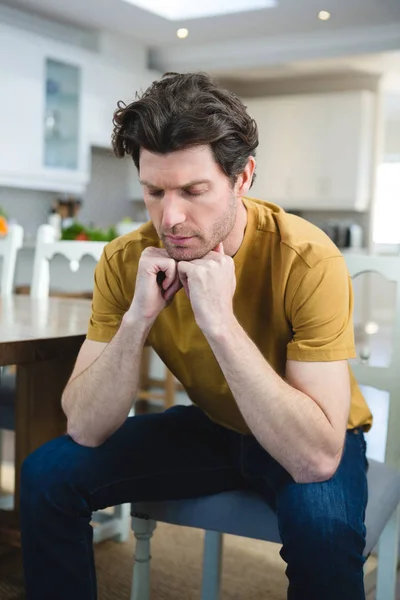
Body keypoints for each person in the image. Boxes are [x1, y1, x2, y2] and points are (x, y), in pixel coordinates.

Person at [20, 72, 373, 600]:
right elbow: (87, 428)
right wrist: (137, 321)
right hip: (214, 428)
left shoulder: (307, 259)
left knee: (323, 529)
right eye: (154, 191)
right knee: (47, 473)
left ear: (243, 177)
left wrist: (219, 323)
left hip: (312, 432)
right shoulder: (127, 260)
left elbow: (316, 459)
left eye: (194, 190)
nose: (171, 216)